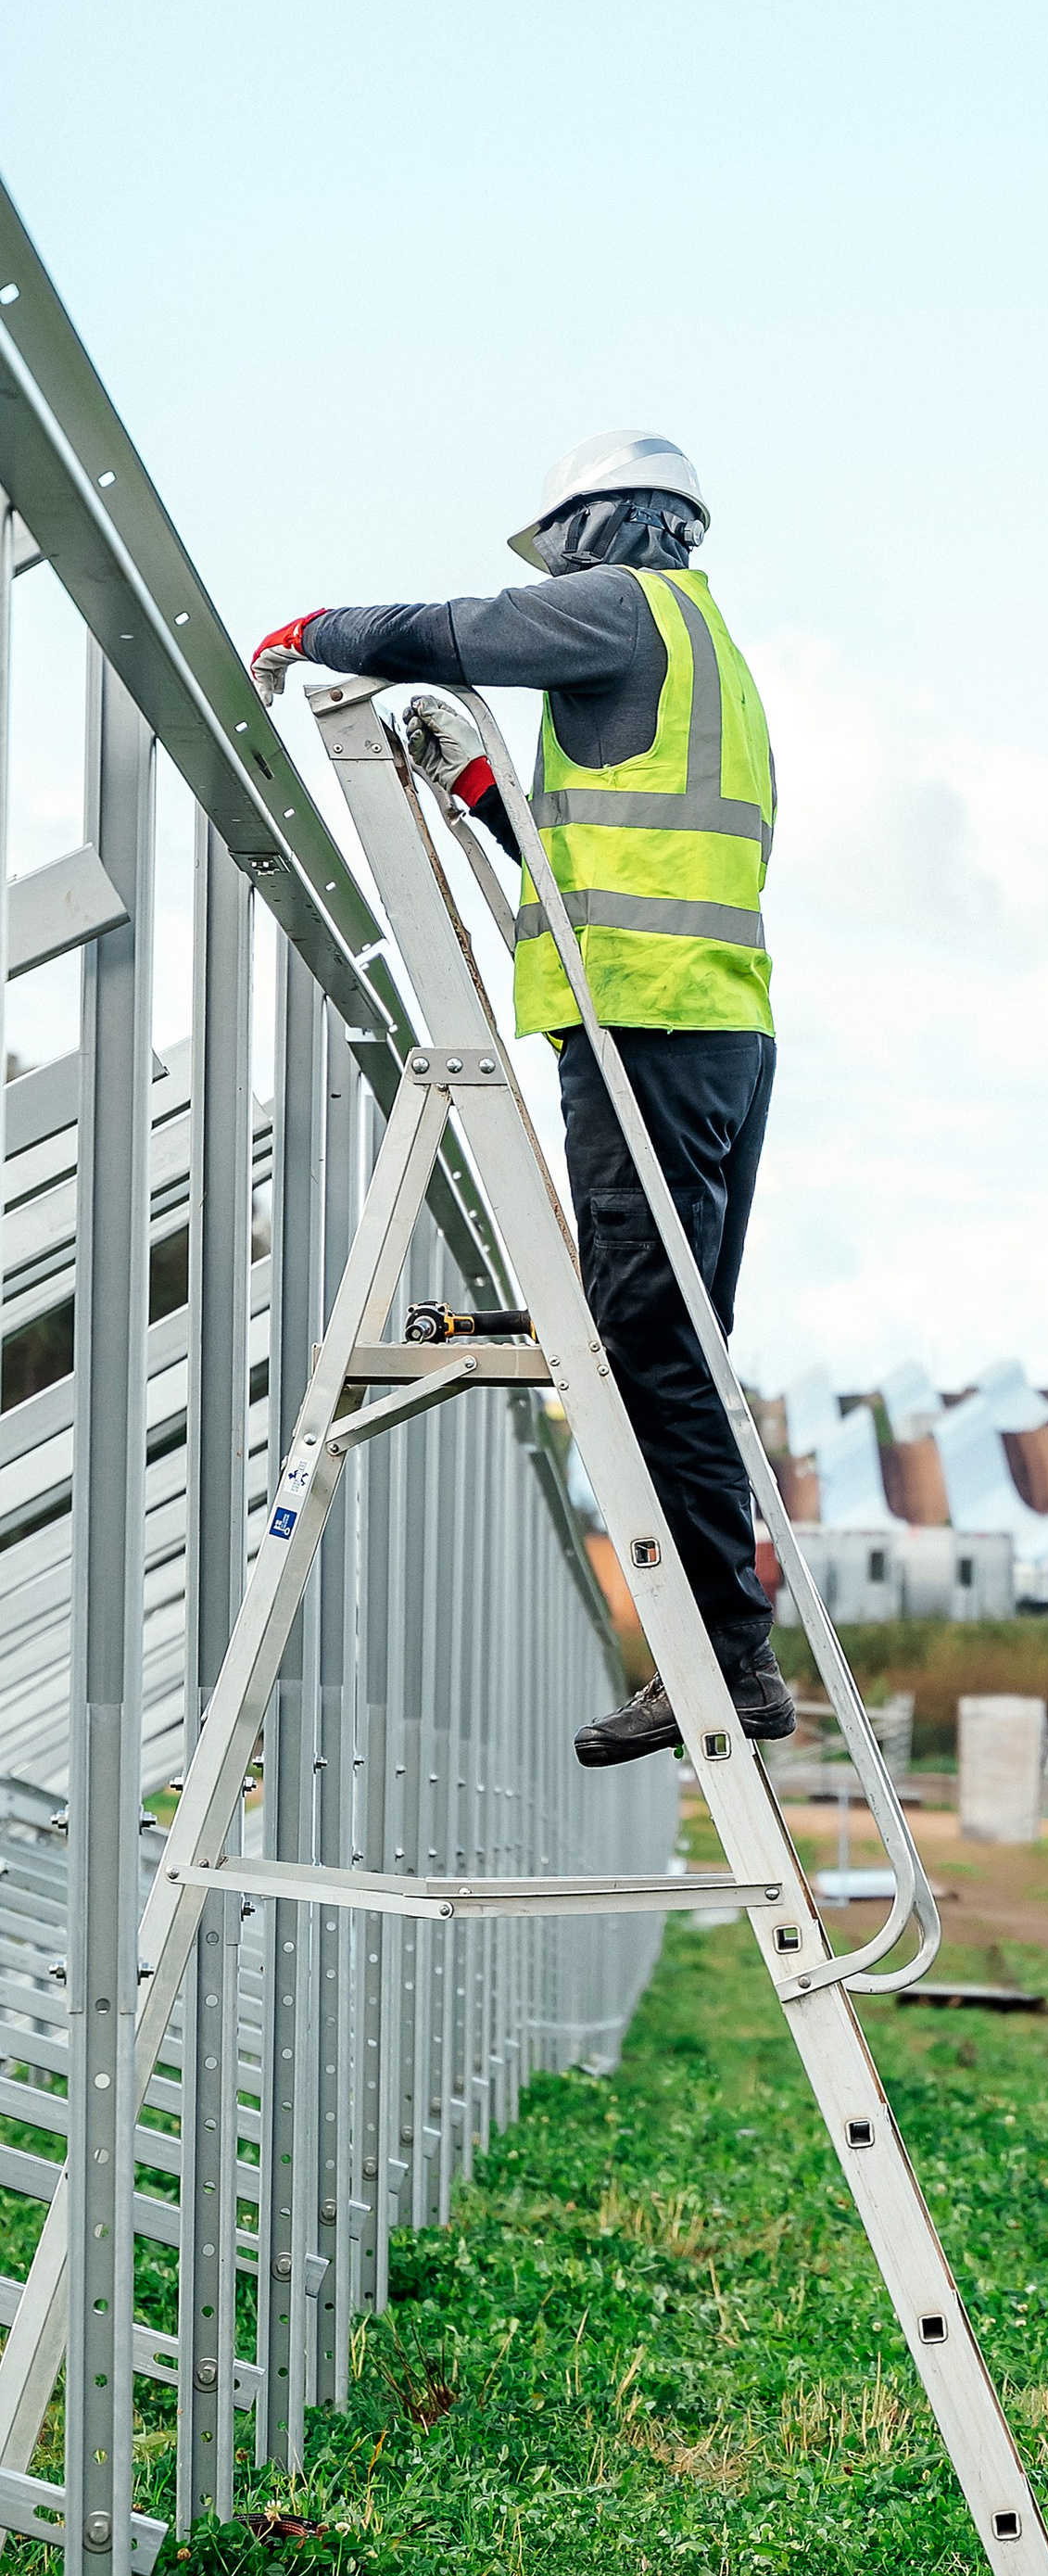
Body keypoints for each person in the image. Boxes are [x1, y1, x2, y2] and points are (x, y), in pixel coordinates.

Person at [252, 428, 797, 1768]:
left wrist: (316, 628)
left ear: (606, 526)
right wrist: (494, 795)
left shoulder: (625, 606)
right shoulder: (700, 650)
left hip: (648, 1025)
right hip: (711, 1024)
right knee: (669, 1337)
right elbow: (589, 863)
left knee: (643, 1340)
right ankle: (721, 1657)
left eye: (559, 546)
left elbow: (456, 629)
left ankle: (724, 1663)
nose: (554, 575)